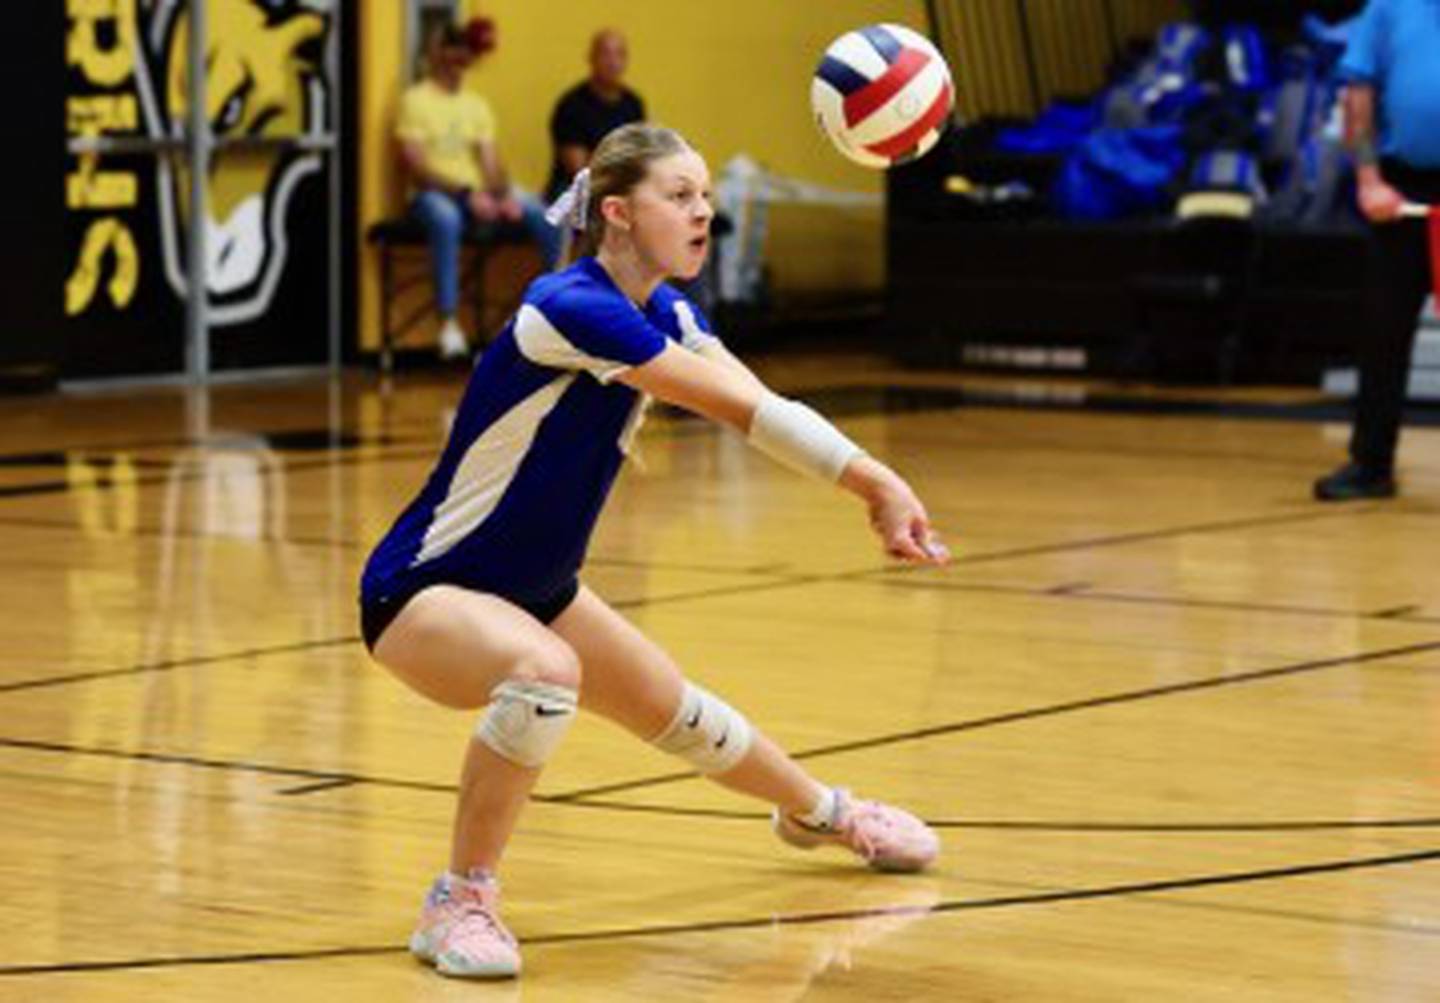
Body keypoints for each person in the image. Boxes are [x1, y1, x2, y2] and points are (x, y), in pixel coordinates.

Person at [359, 123, 949, 980]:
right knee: (543, 671)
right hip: (422, 590)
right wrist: (875, 483)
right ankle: (458, 898)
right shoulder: (570, 307)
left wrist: (867, 478)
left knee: (684, 716)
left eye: (706, 195)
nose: (704, 211)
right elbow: (734, 409)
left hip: (538, 585)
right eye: (680, 196)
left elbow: (763, 401)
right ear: (617, 213)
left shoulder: (666, 308)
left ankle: (821, 813)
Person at [1313, 0, 1440, 501]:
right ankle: (1370, 464)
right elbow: (1358, 97)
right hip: (1402, 192)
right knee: (1383, 331)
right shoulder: (1389, 7)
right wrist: (1369, 182)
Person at [397, 22, 563, 360]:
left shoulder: (476, 105)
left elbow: (490, 162)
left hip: (476, 193)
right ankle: (448, 323)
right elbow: (415, 167)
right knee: (446, 220)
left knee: (543, 213)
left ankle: (559, 312)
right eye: (450, 50)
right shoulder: (414, 100)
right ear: (434, 55)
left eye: (463, 52)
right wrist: (465, 192)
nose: (458, 58)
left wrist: (502, 194)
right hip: (433, 196)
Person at [543, 28, 647, 205]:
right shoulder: (572, 105)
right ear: (591, 58)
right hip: (573, 192)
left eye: (619, 54)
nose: (612, 62)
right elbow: (579, 171)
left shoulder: (633, 104)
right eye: (605, 54)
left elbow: (641, 157)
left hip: (620, 188)